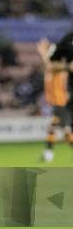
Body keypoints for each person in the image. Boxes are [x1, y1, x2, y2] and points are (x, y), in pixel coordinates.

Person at [36, 33, 73, 162]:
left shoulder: (59, 68)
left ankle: (48, 154)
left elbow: (49, 65)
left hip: (61, 102)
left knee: (61, 130)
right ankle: (48, 154)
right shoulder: (56, 67)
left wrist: (43, 52)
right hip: (58, 102)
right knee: (60, 130)